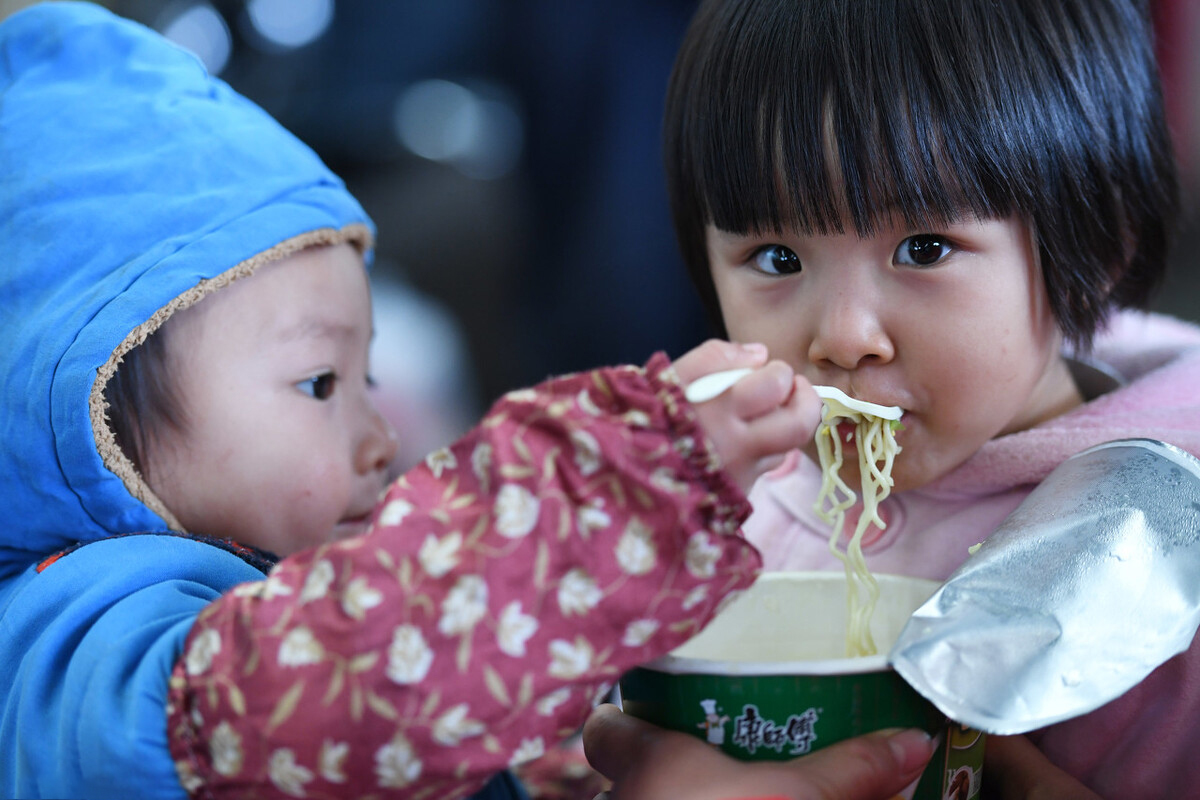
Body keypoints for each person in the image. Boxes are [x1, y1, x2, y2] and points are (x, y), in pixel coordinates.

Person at [0, 3, 934, 799]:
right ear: (97, 419)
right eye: (318, 382)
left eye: (364, 381)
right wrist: (629, 476)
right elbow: (340, 687)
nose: (378, 437)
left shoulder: (268, 576)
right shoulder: (75, 653)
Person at [648, 0, 1200, 797]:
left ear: (1096, 245)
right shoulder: (725, 503)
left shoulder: (1162, 547)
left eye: (924, 248)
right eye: (774, 257)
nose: (842, 337)